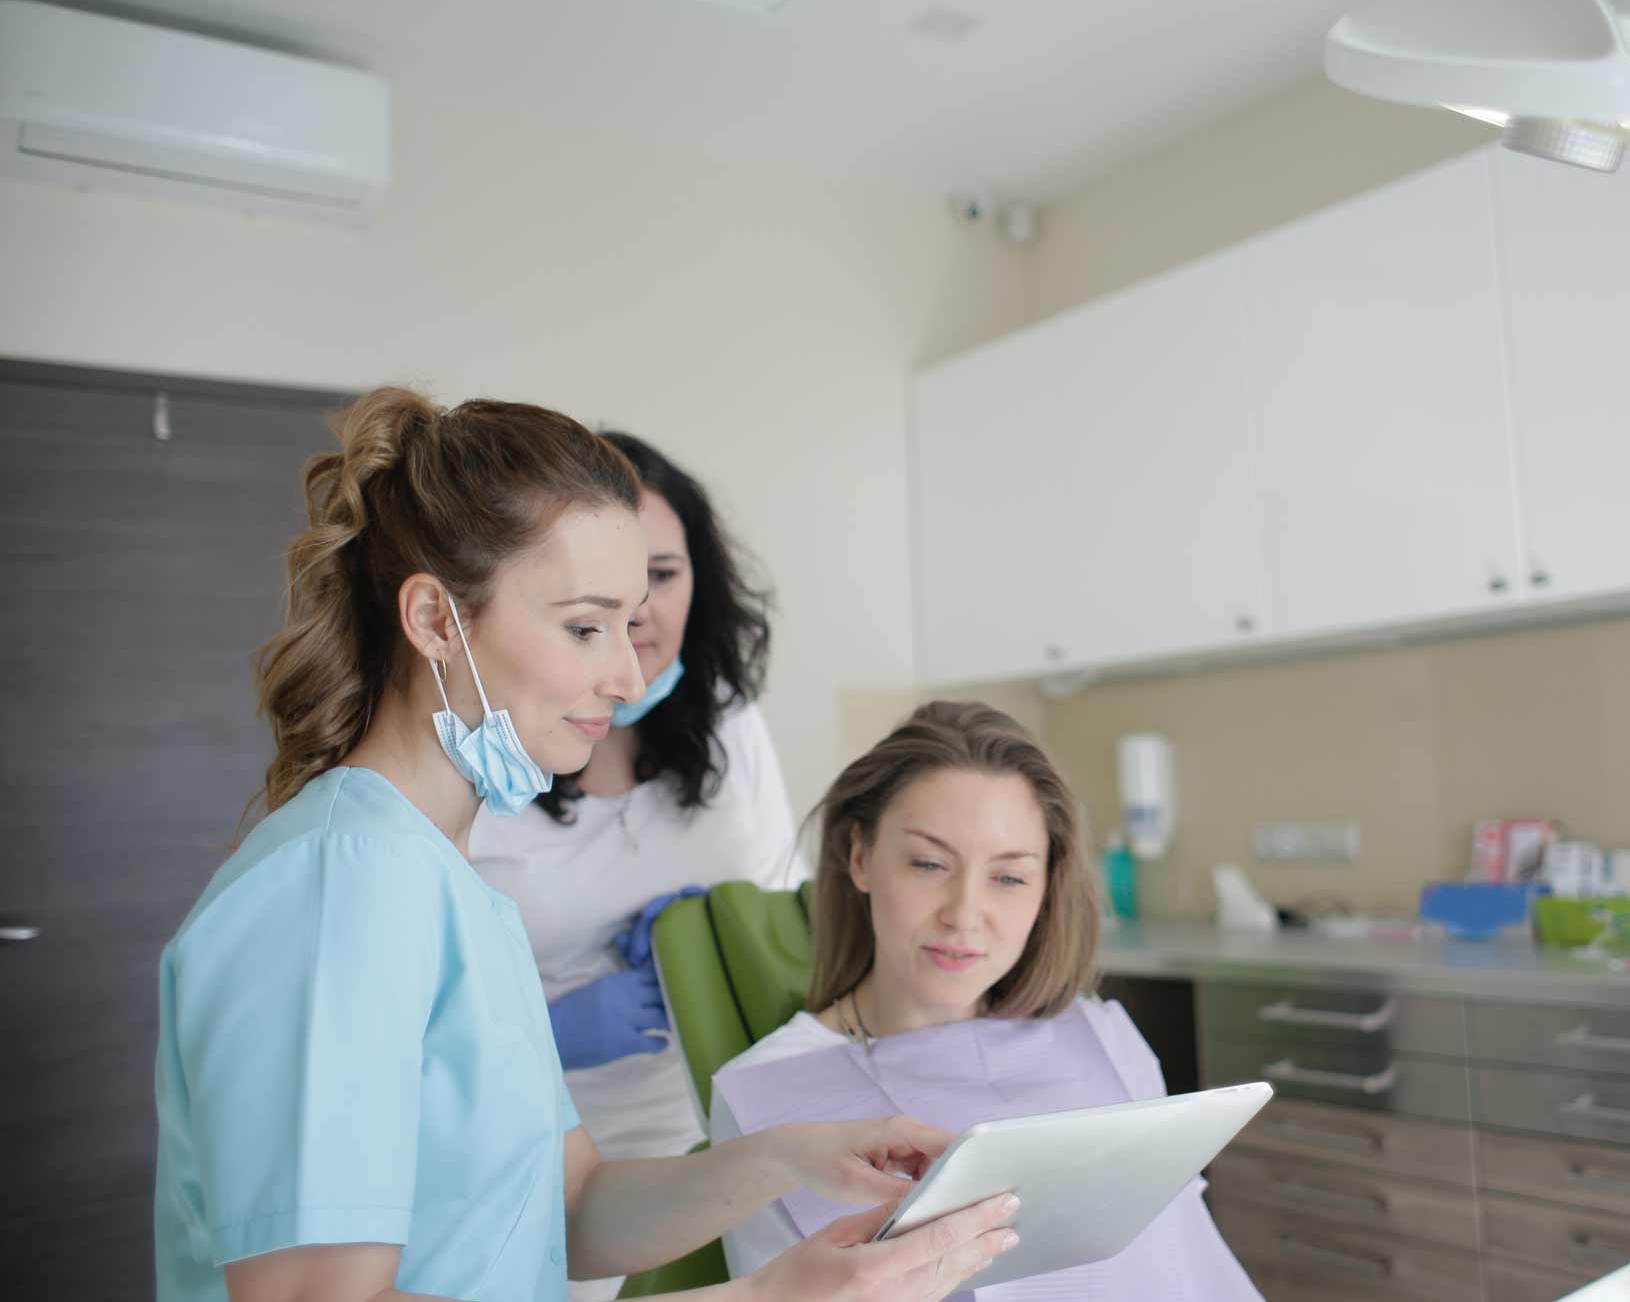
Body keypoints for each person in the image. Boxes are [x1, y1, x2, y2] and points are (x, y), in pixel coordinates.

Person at [152, 390, 1018, 1302]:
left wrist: (796, 1154)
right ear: (438, 621)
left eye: (631, 619)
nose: (630, 671)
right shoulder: (338, 888)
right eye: (585, 627)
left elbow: (571, 1205)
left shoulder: (452, 887)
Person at [708, 701, 1258, 1299]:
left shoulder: (1101, 1035)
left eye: (1010, 877)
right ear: (860, 857)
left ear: (1048, 886)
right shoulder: (766, 1093)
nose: (964, 914)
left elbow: (1193, 1263)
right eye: (928, 863)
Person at [469, 434, 795, 1300]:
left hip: (719, 1125)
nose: (636, 609)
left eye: (662, 573)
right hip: (548, 1147)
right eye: (602, 593)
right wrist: (554, 1029)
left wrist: (725, 923)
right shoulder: (489, 757)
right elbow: (429, 1015)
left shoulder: (730, 723)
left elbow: (784, 899)